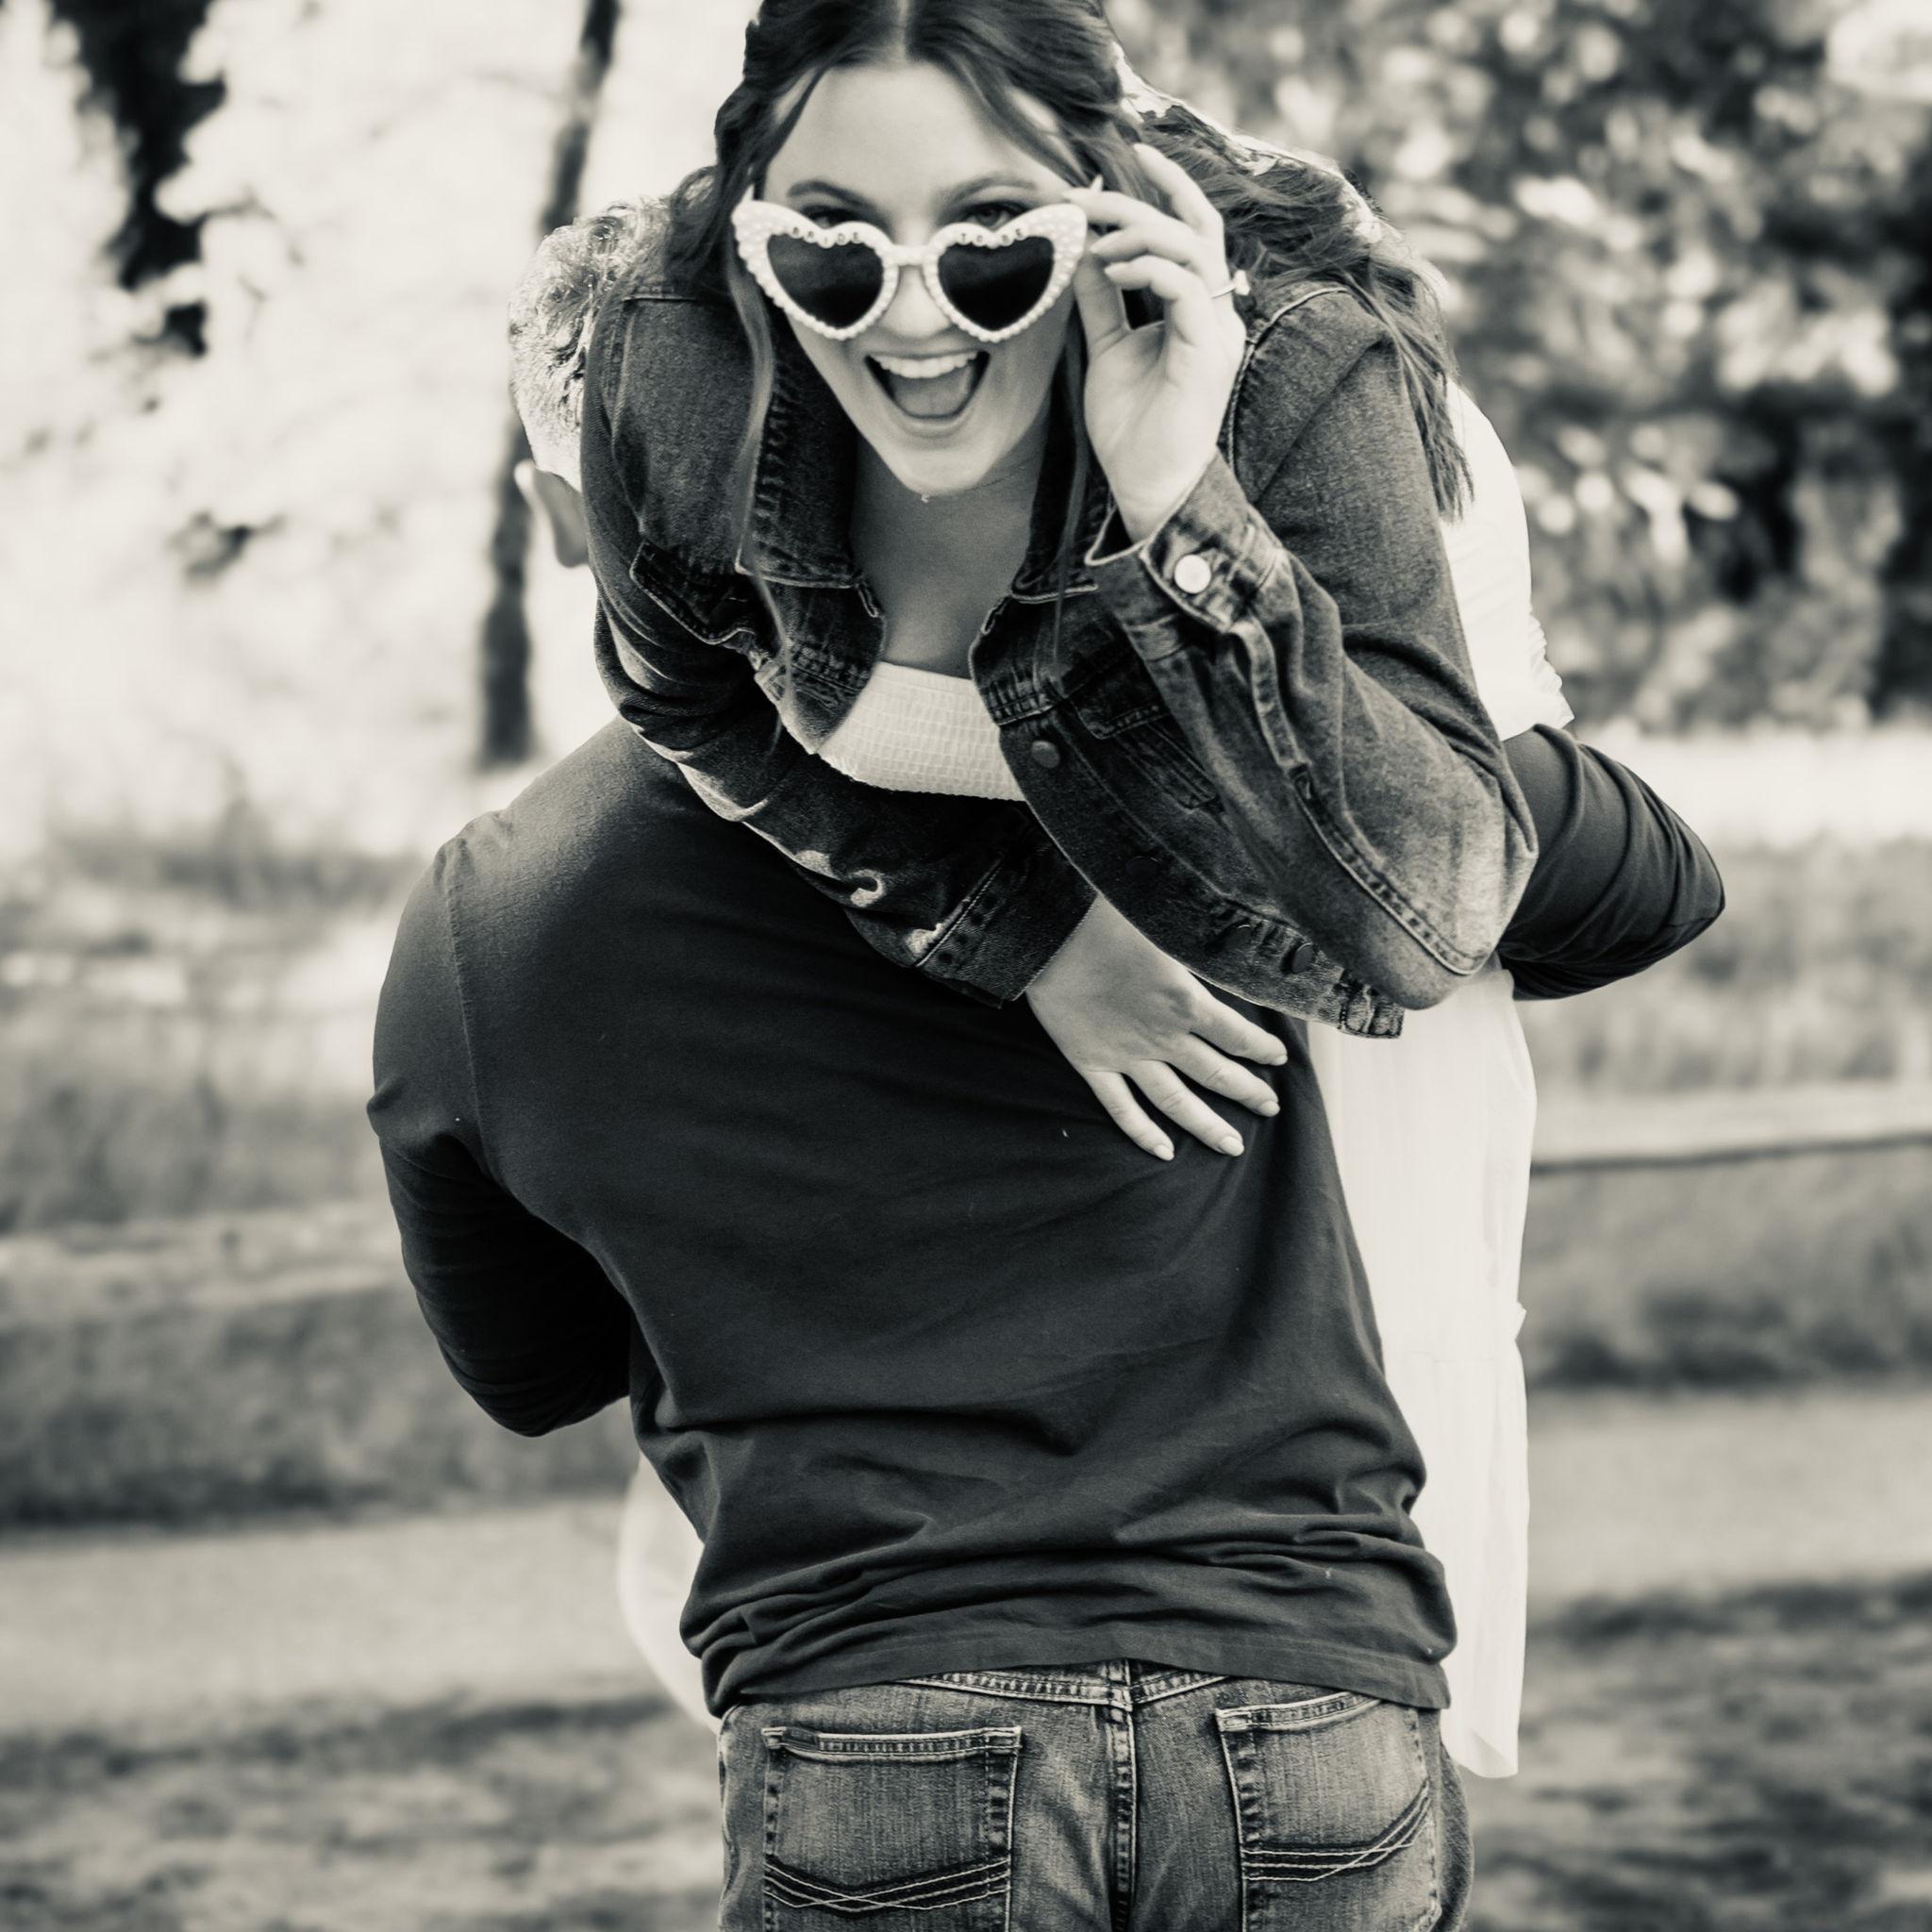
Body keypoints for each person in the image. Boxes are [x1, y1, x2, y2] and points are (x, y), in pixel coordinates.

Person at [376, 5, 1721, 1924]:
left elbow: (527, 1369)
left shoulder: (1283, 413)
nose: (914, 319)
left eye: (991, 245)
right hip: (1270, 1664)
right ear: (747, 230)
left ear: (1104, 210)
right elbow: (1640, 877)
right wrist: (1036, 931)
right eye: (834, 250)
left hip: (924, 1675)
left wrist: (1186, 534)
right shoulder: (682, 387)